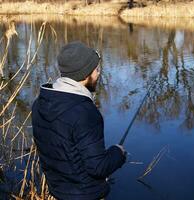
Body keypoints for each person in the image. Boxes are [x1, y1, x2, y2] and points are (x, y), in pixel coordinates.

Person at [31, 41, 126, 200]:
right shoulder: (85, 113)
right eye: (96, 70)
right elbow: (98, 167)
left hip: (57, 190)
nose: (99, 74)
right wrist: (118, 152)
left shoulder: (41, 102)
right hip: (85, 195)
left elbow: (64, 151)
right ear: (86, 74)